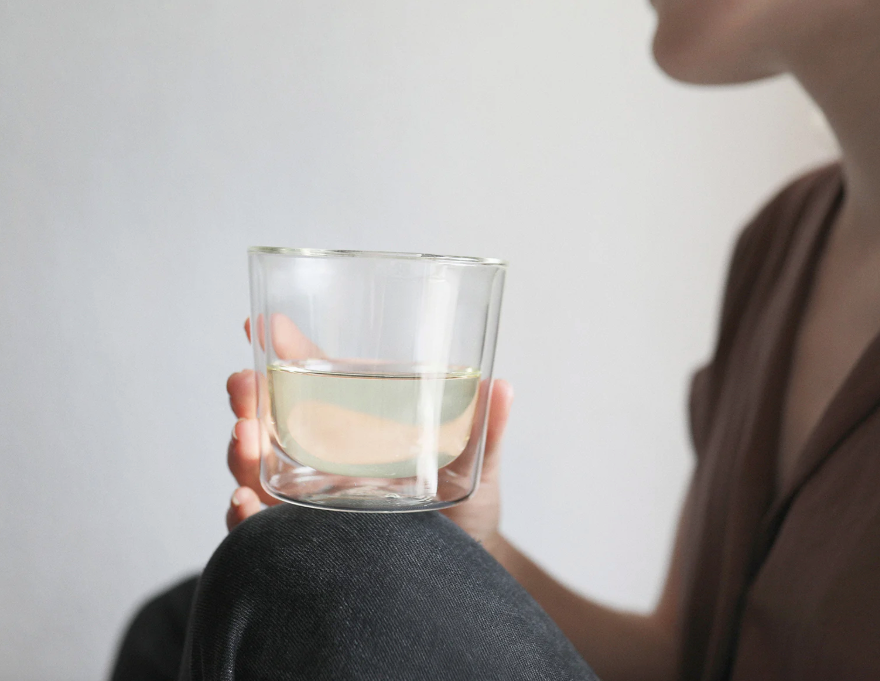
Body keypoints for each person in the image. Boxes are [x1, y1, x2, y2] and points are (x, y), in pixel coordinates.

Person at [111, 0, 880, 679]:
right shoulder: (782, 241)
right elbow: (684, 655)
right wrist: (467, 550)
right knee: (184, 623)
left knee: (297, 569)